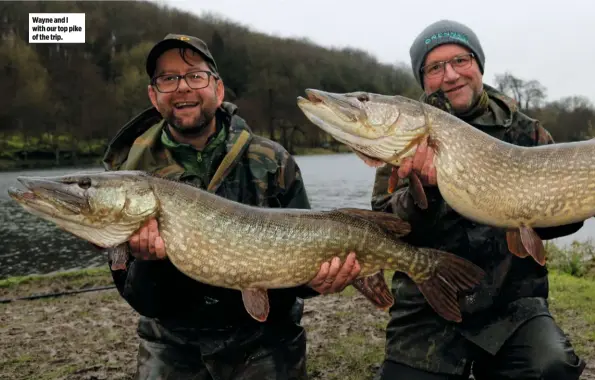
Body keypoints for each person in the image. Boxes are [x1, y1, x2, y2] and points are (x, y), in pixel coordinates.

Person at [102, 33, 361, 380]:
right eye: (168, 78)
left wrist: (318, 282)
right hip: (171, 342)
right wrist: (151, 264)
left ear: (218, 89)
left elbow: (301, 275)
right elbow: (140, 300)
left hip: (265, 339)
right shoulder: (127, 176)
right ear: (153, 94)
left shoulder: (272, 161)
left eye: (195, 75)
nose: (182, 87)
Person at [371, 20, 587, 379]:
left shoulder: (526, 131)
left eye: (461, 60)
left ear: (478, 65)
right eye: (435, 67)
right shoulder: (403, 139)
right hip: (428, 306)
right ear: (423, 79)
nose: (451, 74)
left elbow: (564, 220)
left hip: (511, 301)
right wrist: (426, 193)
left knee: (551, 368)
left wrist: (567, 203)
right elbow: (388, 229)